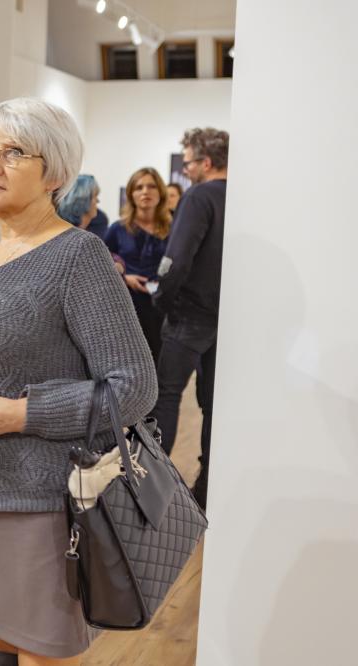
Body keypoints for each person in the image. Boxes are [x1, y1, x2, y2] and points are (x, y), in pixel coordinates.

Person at [0, 97, 157, 666]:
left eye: (13, 153)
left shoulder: (78, 256)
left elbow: (134, 386)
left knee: (37, 650)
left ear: (53, 173)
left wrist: (16, 414)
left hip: (48, 502)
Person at [151, 127, 229, 510]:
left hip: (189, 315)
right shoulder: (244, 197)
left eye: (188, 163)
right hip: (226, 318)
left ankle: (153, 491)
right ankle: (206, 491)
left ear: (206, 162)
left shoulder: (199, 196)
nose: (185, 170)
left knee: (166, 396)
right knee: (214, 406)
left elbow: (176, 259)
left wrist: (162, 299)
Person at [104, 167, 172, 362]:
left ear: (160, 192)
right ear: (131, 194)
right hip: (127, 305)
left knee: (160, 360)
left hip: (160, 305)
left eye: (151, 186)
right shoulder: (117, 229)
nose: (145, 192)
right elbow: (102, 265)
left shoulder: (172, 228)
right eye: (139, 187)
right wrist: (124, 278)